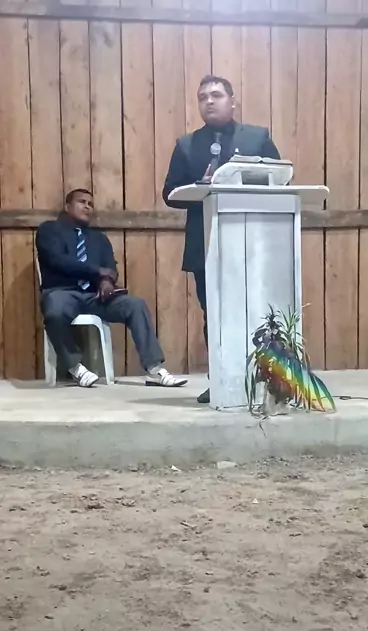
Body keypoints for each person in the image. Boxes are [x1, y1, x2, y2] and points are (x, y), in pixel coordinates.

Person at [162, 74, 281, 403]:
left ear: (233, 101)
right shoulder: (187, 145)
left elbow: (281, 177)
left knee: (260, 313)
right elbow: (169, 193)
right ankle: (221, 381)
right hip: (206, 244)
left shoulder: (257, 137)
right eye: (203, 97)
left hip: (252, 244)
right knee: (213, 315)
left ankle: (268, 380)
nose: (209, 101)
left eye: (216, 95)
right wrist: (200, 188)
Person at [36, 189, 186, 389]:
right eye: (82, 202)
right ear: (67, 206)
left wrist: (107, 281)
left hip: (95, 296)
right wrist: (98, 272)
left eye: (90, 204)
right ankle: (76, 368)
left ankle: (154, 369)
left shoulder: (99, 239)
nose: (87, 206)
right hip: (62, 292)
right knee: (54, 310)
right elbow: (57, 261)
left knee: (135, 305)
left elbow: (110, 268)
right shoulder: (49, 230)